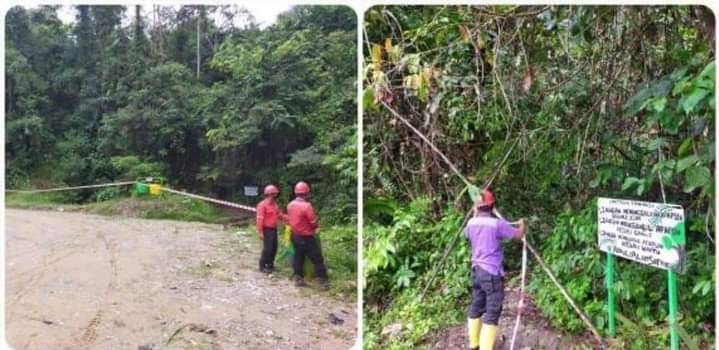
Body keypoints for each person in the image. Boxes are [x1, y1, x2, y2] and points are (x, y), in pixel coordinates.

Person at [465, 189, 526, 350]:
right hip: (491, 273)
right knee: (492, 311)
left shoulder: (471, 223)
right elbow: (518, 235)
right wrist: (522, 225)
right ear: (492, 206)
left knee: (476, 306)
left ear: (476, 207)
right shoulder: (497, 224)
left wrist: (475, 214)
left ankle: (474, 344)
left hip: (476, 270)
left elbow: (467, 235)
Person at [287, 181, 328, 289]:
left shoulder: (290, 205)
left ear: (296, 192)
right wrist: (316, 226)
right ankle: (322, 281)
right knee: (317, 259)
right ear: (306, 193)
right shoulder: (307, 206)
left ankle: (298, 278)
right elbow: (313, 222)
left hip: (295, 235)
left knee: (298, 257)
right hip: (306, 237)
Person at [256, 184, 287, 274]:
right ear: (270, 194)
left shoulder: (274, 205)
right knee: (268, 249)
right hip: (266, 229)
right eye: (274, 194)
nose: (275, 196)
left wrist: (289, 219)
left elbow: (280, 215)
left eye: (275, 194)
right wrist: (260, 232)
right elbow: (259, 219)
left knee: (274, 248)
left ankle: (270, 265)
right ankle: (262, 266)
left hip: (273, 229)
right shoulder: (262, 205)